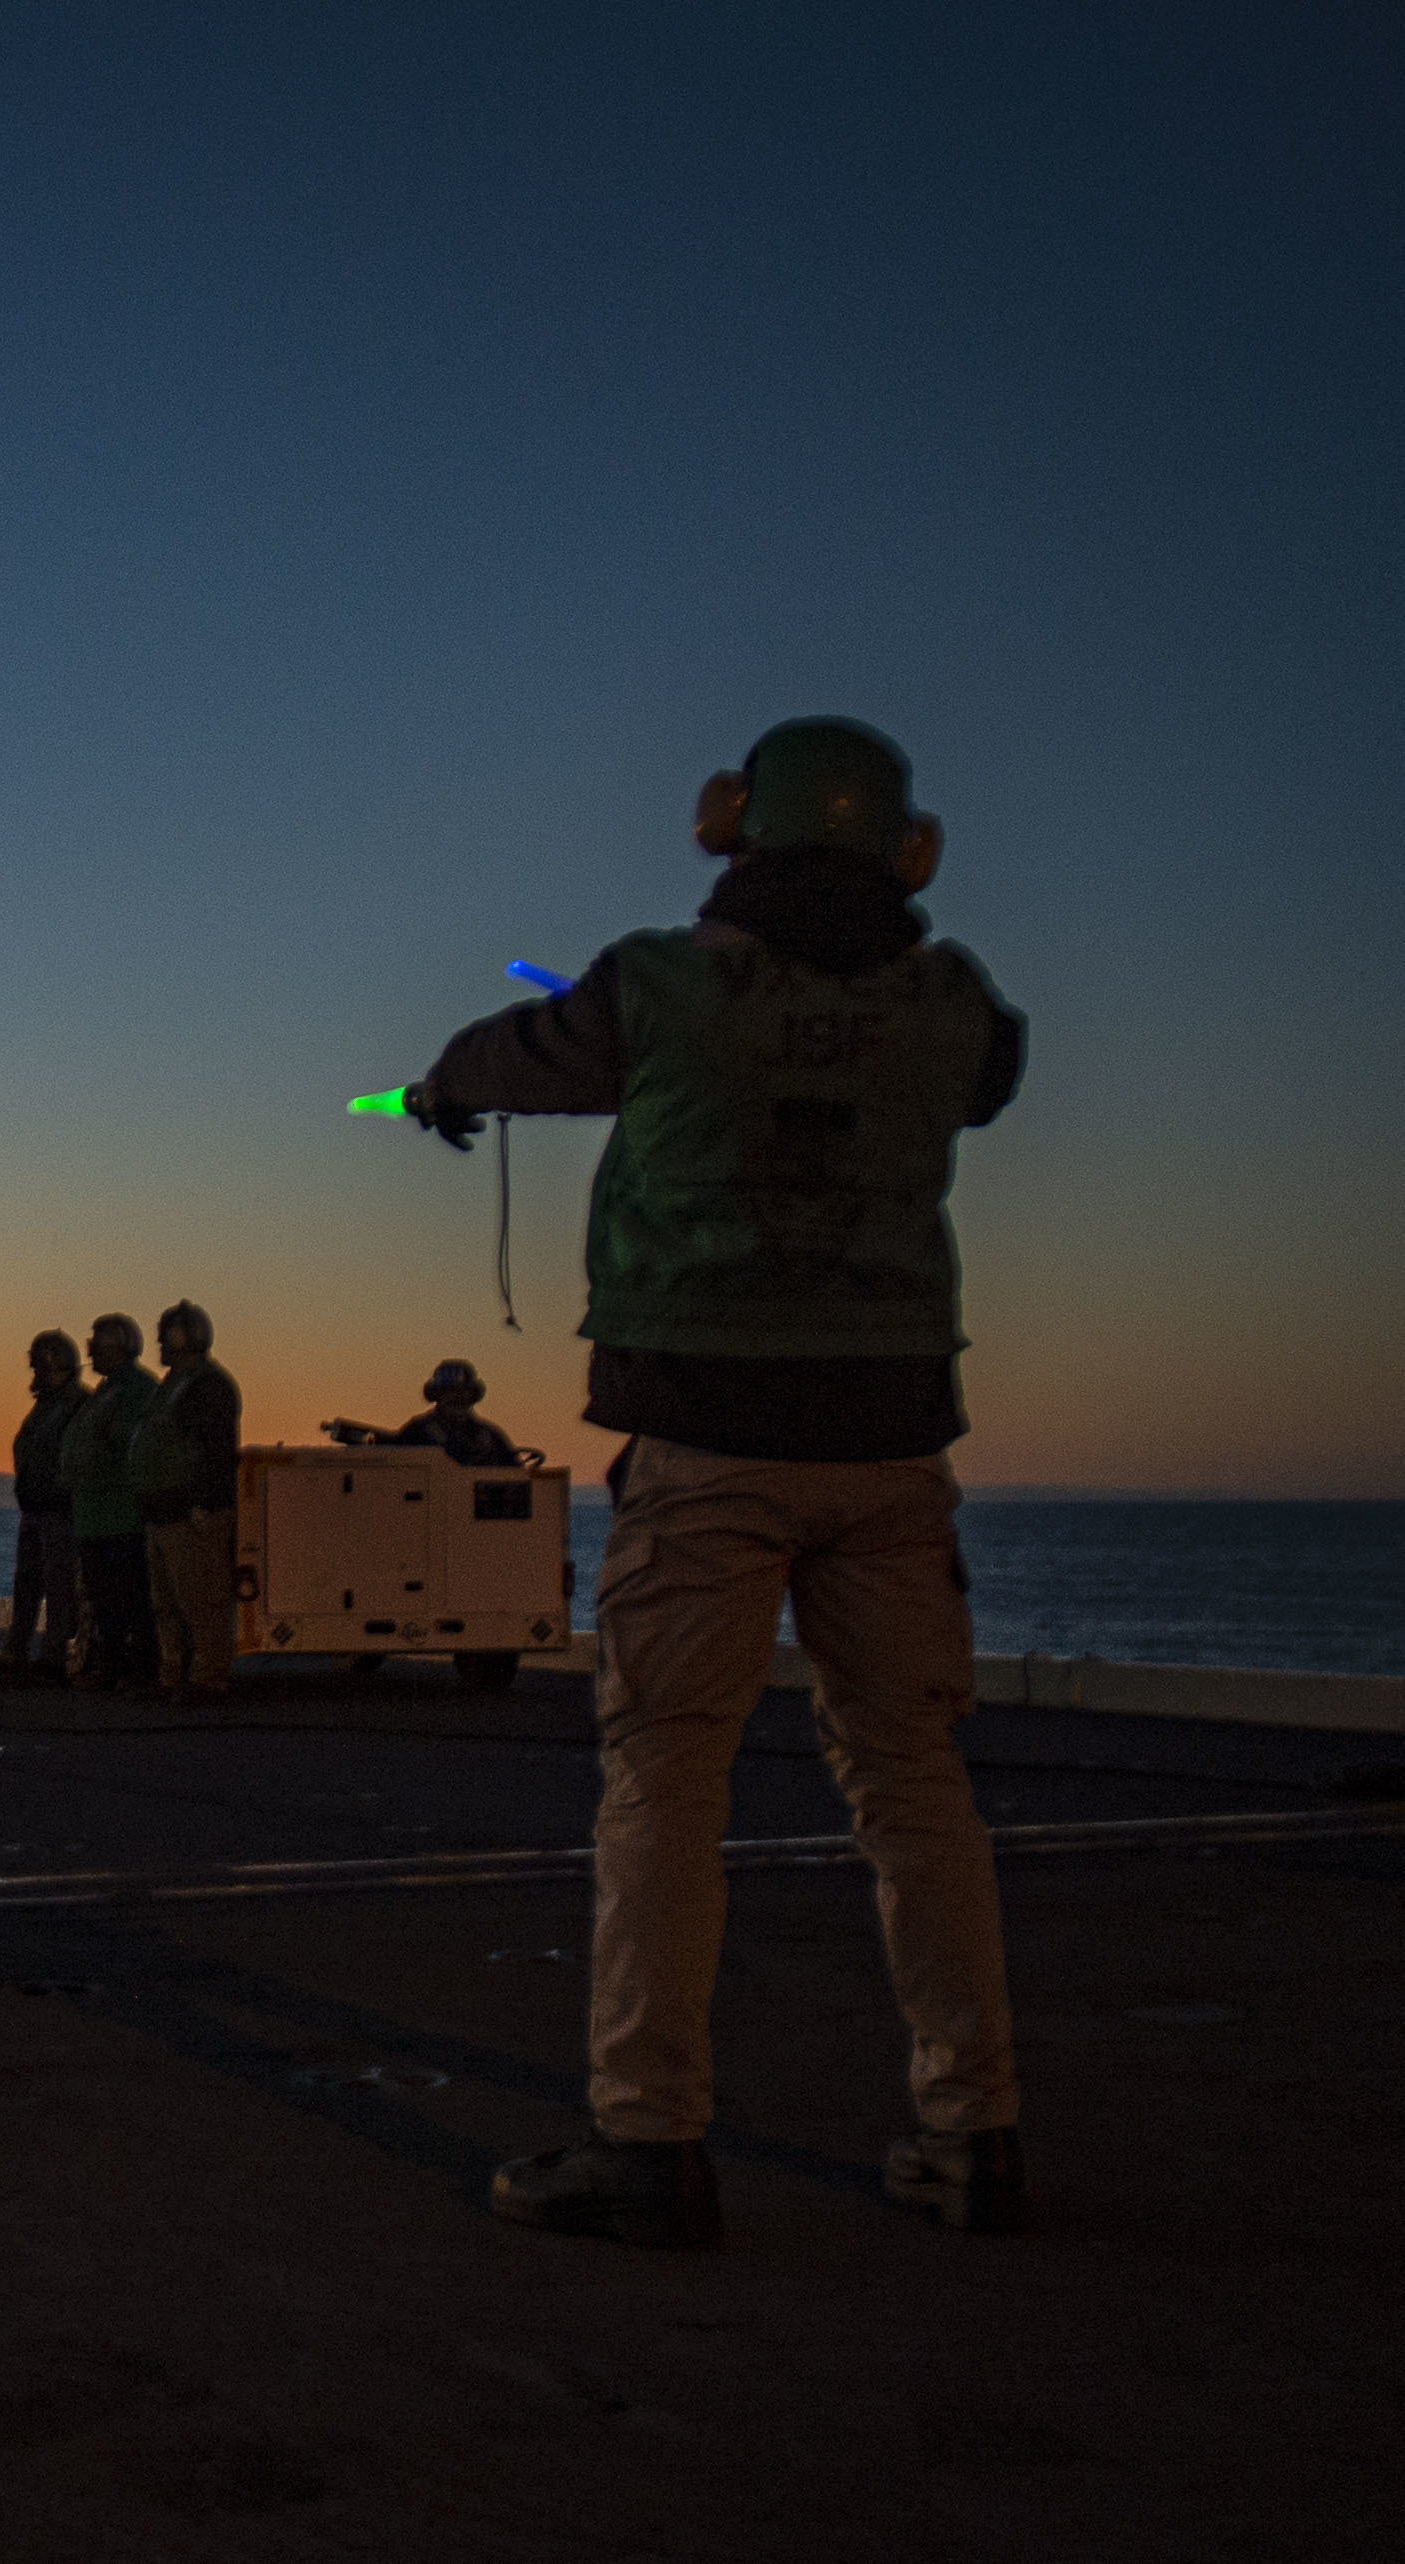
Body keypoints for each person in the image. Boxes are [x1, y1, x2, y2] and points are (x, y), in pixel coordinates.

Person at [407, 715, 1029, 2249]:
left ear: (723, 829)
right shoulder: (957, 1005)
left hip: (705, 1445)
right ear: (909, 851)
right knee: (912, 1788)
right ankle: (974, 2131)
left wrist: (440, 1087)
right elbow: (988, 1078)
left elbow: (501, 1060)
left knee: (664, 1786)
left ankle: (648, 2139)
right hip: (891, 1448)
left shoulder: (656, 982)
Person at [133, 1300, 242, 1704]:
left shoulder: (208, 1384)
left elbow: (216, 1451)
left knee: (202, 1602)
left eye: (166, 1334)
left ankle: (208, 1679)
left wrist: (206, 1504)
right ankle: (173, 1675)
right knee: (168, 1604)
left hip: (191, 1514)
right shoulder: (173, 1384)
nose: (159, 1342)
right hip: (162, 1512)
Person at [55, 1313, 161, 1692]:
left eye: (98, 1343)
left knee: (131, 1600)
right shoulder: (106, 1392)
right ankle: (111, 1667)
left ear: (118, 1346)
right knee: (105, 1603)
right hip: (95, 1516)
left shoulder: (136, 1390)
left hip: (121, 1516)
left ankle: (141, 1670)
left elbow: (128, 1448)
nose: (90, 1351)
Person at [0, 1330, 88, 1685]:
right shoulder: (45, 1407)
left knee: (60, 1584)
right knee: (27, 1582)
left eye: (42, 1369)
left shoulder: (76, 1406)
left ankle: (52, 1654)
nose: (36, 1376)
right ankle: (15, 1649)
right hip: (34, 1509)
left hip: (60, 1511)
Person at [323, 1360, 523, 1467]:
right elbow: (393, 1463)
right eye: (449, 1392)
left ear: (473, 1396)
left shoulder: (490, 1436)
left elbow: (517, 1477)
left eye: (464, 1392)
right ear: (436, 1395)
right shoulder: (418, 1431)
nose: (457, 1398)